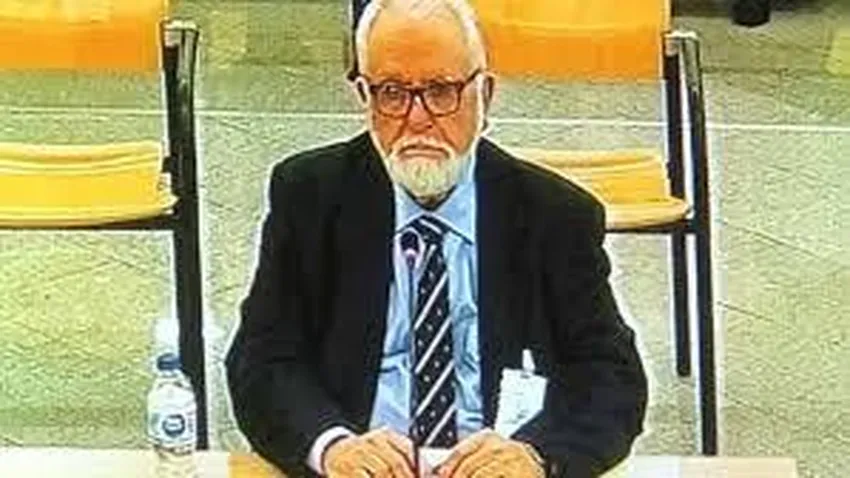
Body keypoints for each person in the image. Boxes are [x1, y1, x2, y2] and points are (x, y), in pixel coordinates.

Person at [225, 0, 648, 476]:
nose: (418, 117)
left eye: (441, 90)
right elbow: (262, 361)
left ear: (485, 94)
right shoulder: (311, 196)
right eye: (391, 93)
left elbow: (611, 380)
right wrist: (333, 447)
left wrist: (536, 456)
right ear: (363, 96)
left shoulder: (554, 216)